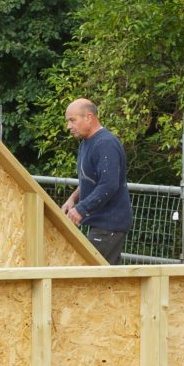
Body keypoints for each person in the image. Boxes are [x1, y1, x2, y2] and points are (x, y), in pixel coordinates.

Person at [63, 97, 132, 265]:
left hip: (109, 226)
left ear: (89, 117)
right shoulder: (87, 143)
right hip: (101, 226)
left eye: (73, 120)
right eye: (68, 121)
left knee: (92, 278)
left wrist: (82, 209)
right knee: (106, 279)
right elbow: (91, 180)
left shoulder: (105, 143)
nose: (68, 126)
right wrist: (73, 199)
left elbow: (109, 184)